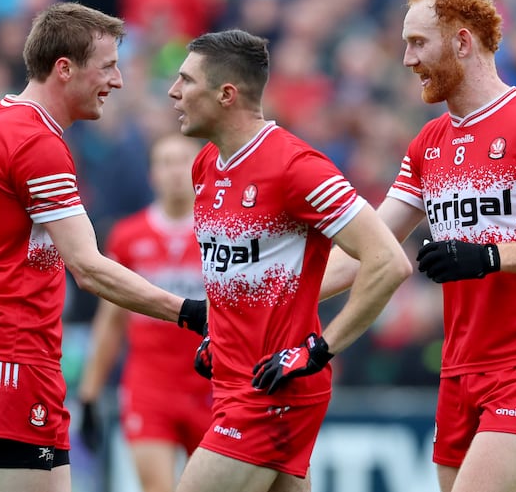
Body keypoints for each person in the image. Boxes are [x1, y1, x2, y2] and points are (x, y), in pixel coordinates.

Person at [320, 0, 516, 492]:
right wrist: (260, 308)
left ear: (462, 42)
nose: (407, 59)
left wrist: (489, 256)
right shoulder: (428, 142)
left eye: (418, 43)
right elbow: (368, 251)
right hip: (460, 365)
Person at [0, 2, 207, 492]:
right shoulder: (35, 141)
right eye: (108, 66)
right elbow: (87, 267)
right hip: (9, 358)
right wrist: (192, 312)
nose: (119, 80)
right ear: (64, 69)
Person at [166, 28, 413, 492]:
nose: (173, 91)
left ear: (226, 94)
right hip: (236, 385)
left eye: (186, 80)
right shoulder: (205, 165)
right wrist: (223, 331)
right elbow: (262, 276)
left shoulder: (295, 167)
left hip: (271, 394)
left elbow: (387, 261)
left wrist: (319, 350)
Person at [77, 132, 212, 492]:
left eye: (183, 160)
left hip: (212, 386)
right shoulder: (127, 236)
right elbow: (111, 321)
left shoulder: (220, 234)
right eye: (165, 163)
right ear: (152, 174)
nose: (174, 171)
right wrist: (89, 393)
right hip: (150, 387)